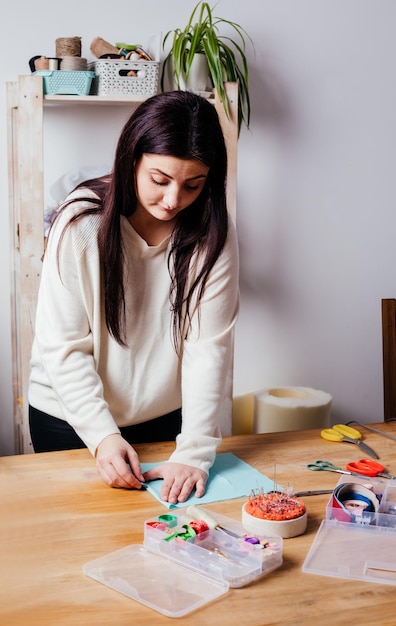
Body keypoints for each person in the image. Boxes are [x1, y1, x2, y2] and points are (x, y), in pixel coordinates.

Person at [28, 90, 239, 505]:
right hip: (70, 418)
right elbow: (63, 346)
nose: (173, 200)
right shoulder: (81, 223)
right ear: (132, 160)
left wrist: (195, 451)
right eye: (159, 180)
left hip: (165, 418)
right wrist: (103, 436)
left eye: (193, 184)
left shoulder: (213, 235)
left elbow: (208, 347)